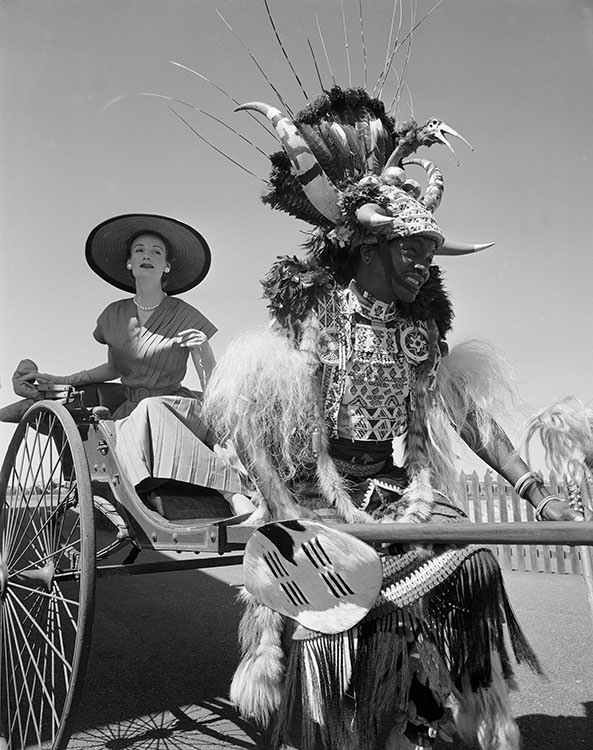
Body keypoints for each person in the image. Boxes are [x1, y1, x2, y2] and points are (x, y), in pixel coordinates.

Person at [201, 87, 586, 750]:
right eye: (410, 250)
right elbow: (254, 428)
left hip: (389, 491)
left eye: (427, 253)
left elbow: (467, 419)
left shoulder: (416, 337)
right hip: (310, 495)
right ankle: (346, 719)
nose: (423, 264)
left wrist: (536, 491)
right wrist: (283, 509)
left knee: (469, 566)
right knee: (346, 605)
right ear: (368, 250)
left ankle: (423, 701)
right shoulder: (309, 327)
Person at [9, 213, 250, 511]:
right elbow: (114, 368)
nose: (147, 256)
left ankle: (233, 492)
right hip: (132, 413)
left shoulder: (185, 315)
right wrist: (60, 379)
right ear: (129, 263)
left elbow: (210, 384)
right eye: (139, 250)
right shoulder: (114, 315)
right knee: (134, 419)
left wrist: (205, 349)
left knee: (157, 409)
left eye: (156, 252)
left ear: (166, 266)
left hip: (179, 409)